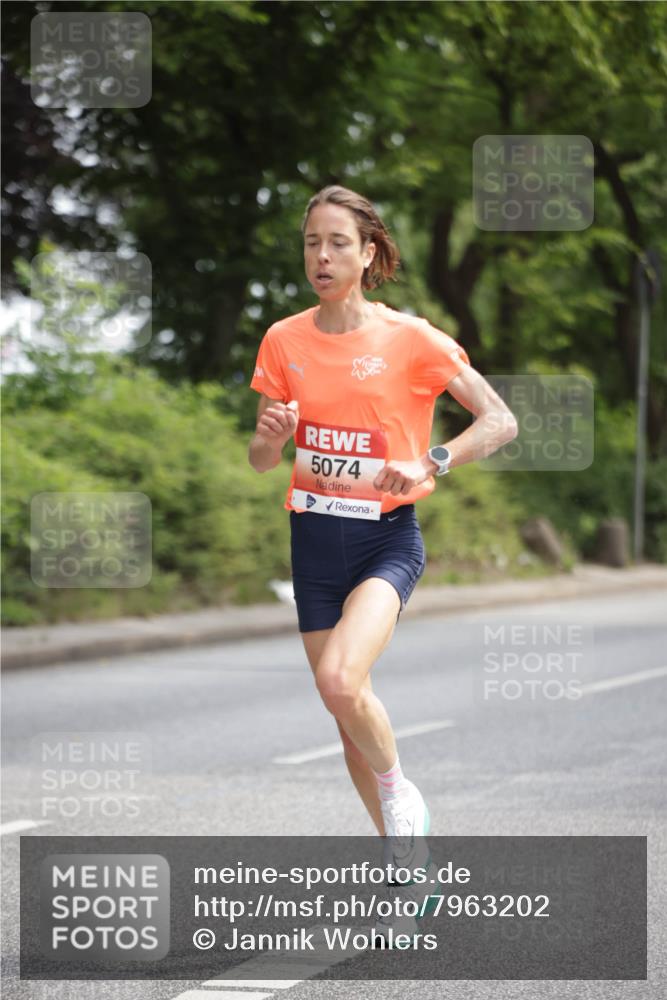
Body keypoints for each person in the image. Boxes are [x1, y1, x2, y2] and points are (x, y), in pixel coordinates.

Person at [248, 185, 517, 938]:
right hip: (312, 544)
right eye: (310, 243)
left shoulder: (413, 338)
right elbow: (263, 459)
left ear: (367, 254)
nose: (321, 257)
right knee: (343, 717)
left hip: (384, 540)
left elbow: (498, 420)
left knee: (340, 680)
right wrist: (271, 434)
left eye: (336, 242)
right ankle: (411, 872)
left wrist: (433, 457)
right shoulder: (284, 339)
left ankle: (401, 795)